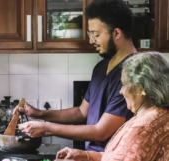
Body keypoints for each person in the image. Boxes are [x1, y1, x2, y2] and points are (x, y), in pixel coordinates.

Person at [15, 0, 135, 152]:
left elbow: (101, 131)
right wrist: (38, 114)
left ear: (117, 33)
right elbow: (81, 112)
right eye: (90, 34)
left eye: (96, 35)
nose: (91, 41)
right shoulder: (101, 67)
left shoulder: (135, 73)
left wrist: (46, 128)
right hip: (92, 160)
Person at [47, 52, 169, 161]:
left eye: (124, 85)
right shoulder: (158, 116)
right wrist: (85, 155)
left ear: (140, 88)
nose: (121, 91)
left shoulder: (145, 127)